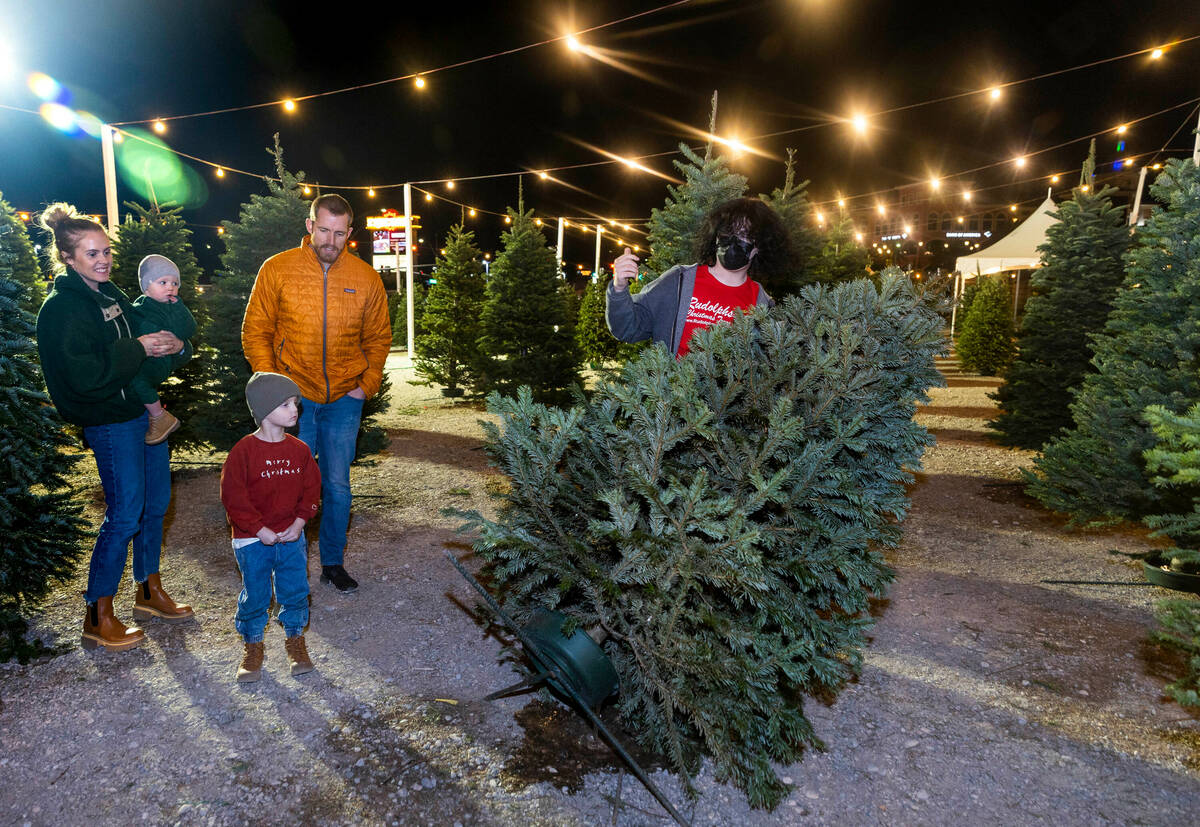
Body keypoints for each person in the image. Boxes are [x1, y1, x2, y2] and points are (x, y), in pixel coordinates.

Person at [35, 204, 193, 652]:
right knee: (125, 514)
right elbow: (81, 377)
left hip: (142, 417)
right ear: (68, 258)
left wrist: (174, 345)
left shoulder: (113, 295)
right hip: (110, 421)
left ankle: (148, 591)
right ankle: (98, 611)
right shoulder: (62, 309)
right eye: (91, 253)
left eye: (105, 251)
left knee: (156, 504)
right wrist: (137, 348)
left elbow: (152, 332)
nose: (102, 260)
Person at [241, 193, 391, 594]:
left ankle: (332, 564)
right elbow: (257, 331)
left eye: (339, 233)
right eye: (323, 229)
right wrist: (275, 390)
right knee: (287, 487)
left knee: (337, 486)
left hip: (345, 398)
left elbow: (378, 337)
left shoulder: (365, 278)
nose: (330, 239)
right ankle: (285, 567)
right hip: (295, 400)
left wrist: (367, 384)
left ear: (349, 234)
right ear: (310, 226)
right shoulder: (277, 269)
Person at [221, 372, 321, 682]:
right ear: (264, 409)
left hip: (291, 534)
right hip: (252, 540)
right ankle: (253, 646)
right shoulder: (243, 452)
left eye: (296, 403)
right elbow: (232, 497)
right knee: (256, 593)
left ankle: (295, 640)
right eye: (286, 404)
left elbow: (312, 491)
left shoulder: (300, 451)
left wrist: (301, 521)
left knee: (295, 588)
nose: (295, 410)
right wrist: (257, 528)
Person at [605, 197, 788, 356]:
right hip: (673, 394)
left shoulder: (760, 301)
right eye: (728, 231)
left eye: (744, 235)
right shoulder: (679, 280)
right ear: (716, 235)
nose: (732, 240)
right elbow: (628, 329)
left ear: (759, 247)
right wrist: (619, 288)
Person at [128, 254, 197, 445]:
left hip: (160, 360)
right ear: (146, 286)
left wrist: (179, 308)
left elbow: (188, 330)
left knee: (138, 381)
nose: (170, 287)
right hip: (148, 358)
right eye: (163, 282)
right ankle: (158, 415)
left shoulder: (174, 307)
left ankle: (159, 416)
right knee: (137, 380)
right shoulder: (138, 307)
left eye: (175, 283)